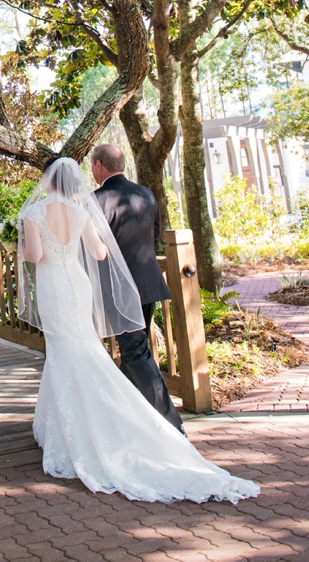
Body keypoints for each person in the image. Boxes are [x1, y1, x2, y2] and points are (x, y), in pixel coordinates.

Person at [18, 157, 258, 503]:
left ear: (47, 181)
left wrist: (26, 248)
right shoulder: (81, 211)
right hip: (77, 283)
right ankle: (79, 421)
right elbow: (100, 253)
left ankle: (75, 429)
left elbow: (34, 255)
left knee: (61, 351)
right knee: (83, 348)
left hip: (54, 287)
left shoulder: (35, 212)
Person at [90, 143, 183, 432]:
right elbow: (154, 235)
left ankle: (172, 425)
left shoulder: (95, 200)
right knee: (134, 351)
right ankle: (132, 418)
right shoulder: (145, 193)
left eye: (92, 165)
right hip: (149, 282)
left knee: (134, 353)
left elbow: (93, 251)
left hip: (120, 289)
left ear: (98, 166)